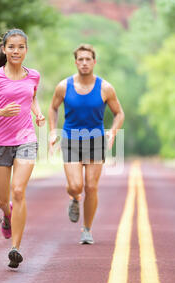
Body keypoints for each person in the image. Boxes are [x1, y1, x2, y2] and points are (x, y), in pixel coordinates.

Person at [0, 29, 45, 268]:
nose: (16, 51)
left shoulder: (33, 75)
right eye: (12, 47)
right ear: (4, 50)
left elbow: (32, 97)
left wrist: (37, 113)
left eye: (21, 47)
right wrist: (1, 112)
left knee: (18, 191)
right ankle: (7, 216)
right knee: (2, 200)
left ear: (26, 50)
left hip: (25, 139)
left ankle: (15, 248)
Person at [48, 44, 124, 244]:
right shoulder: (64, 86)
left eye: (87, 59)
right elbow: (53, 108)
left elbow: (119, 114)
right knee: (76, 186)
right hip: (71, 140)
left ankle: (87, 229)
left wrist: (113, 133)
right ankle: (74, 198)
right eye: (80, 59)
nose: (84, 63)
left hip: (96, 141)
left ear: (94, 62)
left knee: (91, 187)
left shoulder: (105, 88)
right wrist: (52, 132)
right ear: (75, 63)